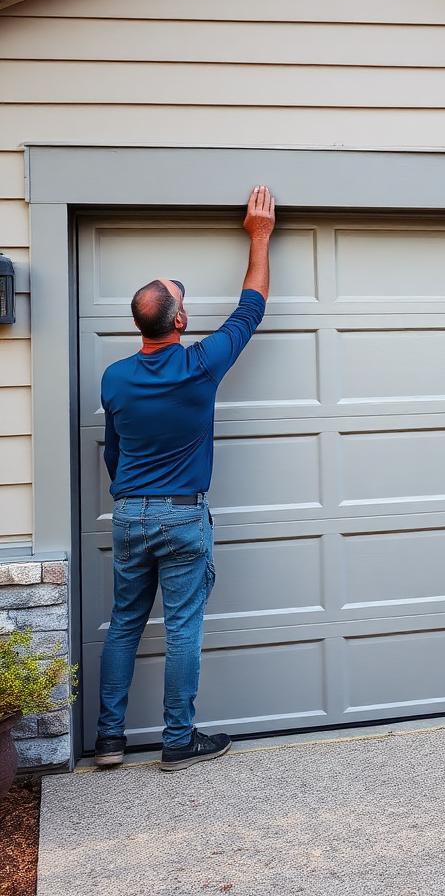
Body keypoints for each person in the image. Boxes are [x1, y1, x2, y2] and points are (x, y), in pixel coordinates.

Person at [93, 185, 276, 771]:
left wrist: (132, 495)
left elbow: (113, 453)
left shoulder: (115, 378)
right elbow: (251, 309)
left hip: (130, 513)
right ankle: (177, 742)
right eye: (180, 295)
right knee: (182, 629)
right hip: (181, 514)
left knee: (124, 624)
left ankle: (110, 742)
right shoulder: (201, 365)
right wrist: (260, 236)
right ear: (182, 320)